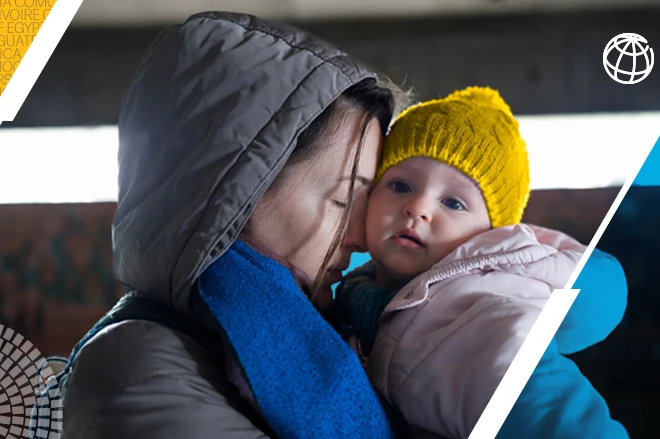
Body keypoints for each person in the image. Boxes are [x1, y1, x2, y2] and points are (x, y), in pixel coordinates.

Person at [59, 11, 412, 439]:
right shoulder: (137, 369)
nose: (361, 239)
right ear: (238, 193)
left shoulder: (313, 339)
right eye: (342, 199)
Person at [334, 87, 630, 439]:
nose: (419, 208)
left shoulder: (482, 319)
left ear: (490, 236)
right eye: (400, 185)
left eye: (454, 203)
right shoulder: (354, 299)